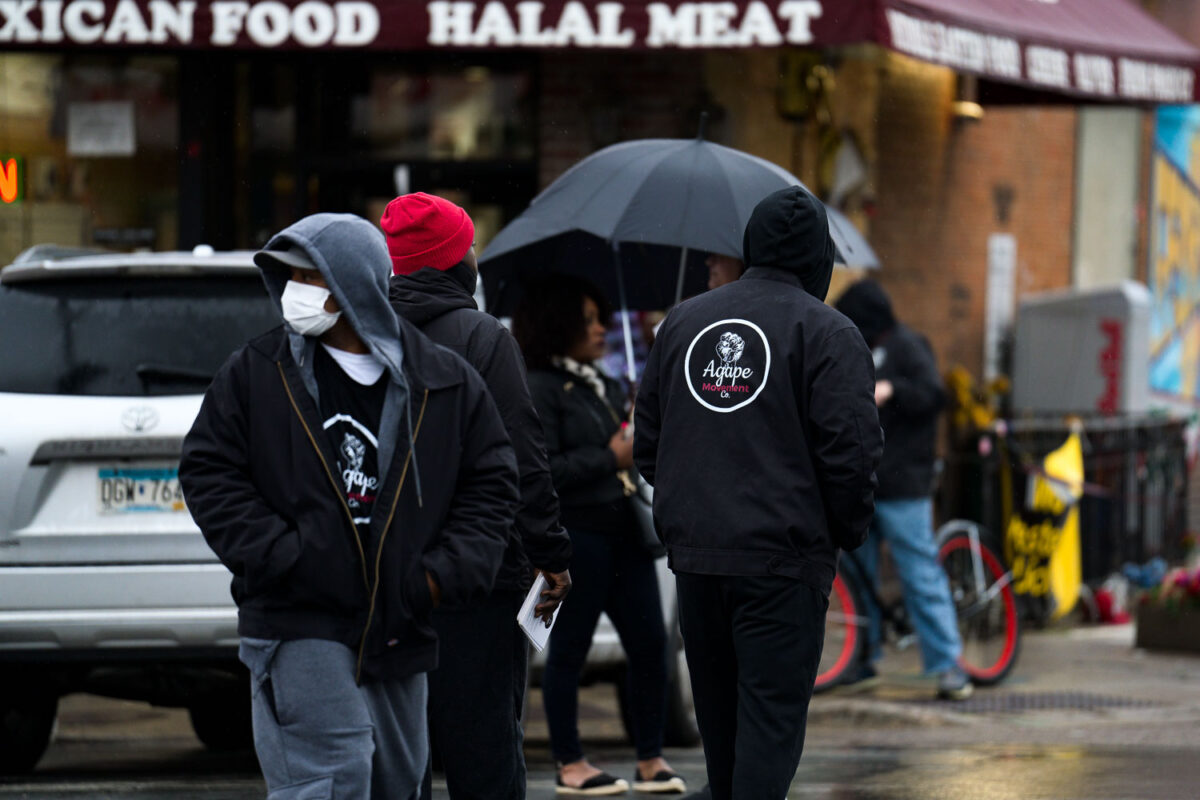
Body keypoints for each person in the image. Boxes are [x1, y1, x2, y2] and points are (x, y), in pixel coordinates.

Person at [178, 213, 519, 800]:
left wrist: (438, 577)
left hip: (400, 619)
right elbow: (209, 473)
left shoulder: (444, 380)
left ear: (352, 282)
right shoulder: (256, 374)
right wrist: (285, 558)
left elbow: (490, 483)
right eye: (289, 277)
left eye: (308, 277)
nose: (295, 292)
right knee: (334, 774)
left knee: (396, 779)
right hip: (298, 615)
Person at [634, 186, 883, 800]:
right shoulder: (829, 332)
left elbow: (649, 446)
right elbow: (850, 456)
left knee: (723, 742)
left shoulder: (683, 324)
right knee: (768, 737)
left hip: (698, 561)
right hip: (783, 565)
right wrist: (840, 535)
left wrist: (695, 513)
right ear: (819, 258)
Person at [380, 192, 574, 800]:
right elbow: (521, 456)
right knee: (483, 748)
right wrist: (551, 552)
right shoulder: (485, 339)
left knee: (394, 750)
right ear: (455, 261)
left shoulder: (362, 334)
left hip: (381, 575)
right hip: (477, 579)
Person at [514, 275, 685, 797]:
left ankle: (651, 758)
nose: (600, 329)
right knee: (569, 649)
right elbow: (545, 469)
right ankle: (570, 762)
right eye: (587, 319)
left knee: (651, 645)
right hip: (578, 537)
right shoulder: (540, 388)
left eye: (600, 318)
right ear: (557, 323)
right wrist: (608, 457)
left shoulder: (604, 383)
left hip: (624, 535)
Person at [834, 278, 973, 701]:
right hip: (865, 482)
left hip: (904, 485)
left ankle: (949, 665)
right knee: (860, 574)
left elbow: (935, 394)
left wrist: (894, 389)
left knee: (918, 572)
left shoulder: (909, 346)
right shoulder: (858, 350)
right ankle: (865, 656)